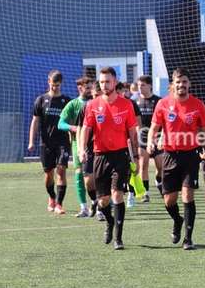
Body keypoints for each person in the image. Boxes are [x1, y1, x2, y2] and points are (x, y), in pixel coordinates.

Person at [147, 68, 205, 250]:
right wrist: (151, 141)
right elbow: (154, 128)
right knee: (169, 200)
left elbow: (204, 133)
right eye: (178, 82)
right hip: (169, 156)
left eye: (184, 81)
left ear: (189, 84)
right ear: (172, 84)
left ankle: (188, 239)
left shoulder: (198, 105)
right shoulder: (163, 104)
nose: (181, 85)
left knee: (187, 195)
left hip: (191, 156)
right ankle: (177, 220)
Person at [79, 67, 139, 250]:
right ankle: (110, 221)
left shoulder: (126, 104)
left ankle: (118, 238)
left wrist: (136, 155)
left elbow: (132, 133)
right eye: (102, 82)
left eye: (108, 81)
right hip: (100, 156)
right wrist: (81, 149)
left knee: (117, 194)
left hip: (120, 155)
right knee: (103, 201)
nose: (104, 85)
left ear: (115, 82)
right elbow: (86, 129)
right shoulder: (92, 105)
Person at [28, 70, 71, 215]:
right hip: (46, 143)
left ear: (61, 84)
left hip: (63, 142)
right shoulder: (41, 100)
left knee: (61, 170)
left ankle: (59, 204)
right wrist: (31, 141)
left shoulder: (67, 101)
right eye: (53, 84)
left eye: (57, 85)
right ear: (48, 82)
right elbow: (35, 121)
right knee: (48, 174)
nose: (55, 87)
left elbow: (71, 122)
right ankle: (52, 197)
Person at [58, 76, 97, 218]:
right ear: (80, 88)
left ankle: (101, 202)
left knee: (98, 174)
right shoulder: (73, 104)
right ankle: (84, 207)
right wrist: (73, 128)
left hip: (97, 143)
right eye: (87, 88)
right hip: (78, 143)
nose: (90, 90)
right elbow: (60, 124)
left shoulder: (96, 103)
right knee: (80, 173)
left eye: (91, 87)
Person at [135, 75, 164, 203]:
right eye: (139, 85)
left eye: (143, 85)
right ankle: (145, 193)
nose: (140, 88)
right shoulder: (135, 101)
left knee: (160, 166)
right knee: (143, 165)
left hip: (157, 136)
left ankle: (158, 180)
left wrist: (161, 137)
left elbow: (163, 120)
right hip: (142, 137)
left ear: (150, 85)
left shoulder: (159, 101)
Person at [116, 81, 142, 208]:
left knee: (132, 168)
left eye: (120, 91)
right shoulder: (108, 104)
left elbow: (138, 124)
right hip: (115, 143)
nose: (119, 94)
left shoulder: (130, 104)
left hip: (129, 142)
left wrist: (136, 139)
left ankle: (131, 194)